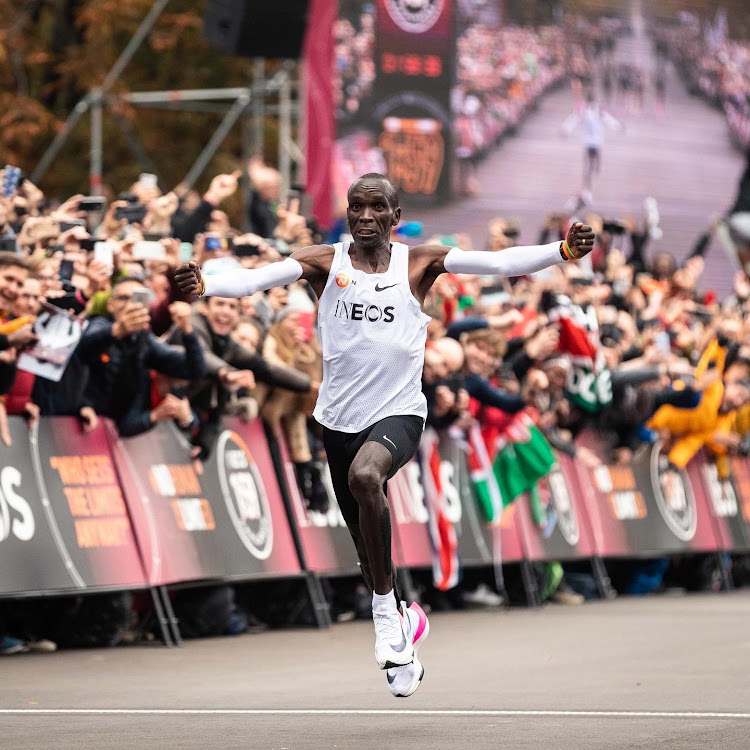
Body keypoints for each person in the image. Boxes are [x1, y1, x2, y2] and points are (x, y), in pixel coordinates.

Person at [176, 173, 596, 697]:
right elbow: (253, 280)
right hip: (336, 419)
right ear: (347, 213)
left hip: (399, 411)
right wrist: (207, 283)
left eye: (378, 208)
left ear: (396, 218)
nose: (366, 217)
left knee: (367, 475)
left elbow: (499, 263)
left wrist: (560, 250)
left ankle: (381, 613)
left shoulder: (418, 262)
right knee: (366, 543)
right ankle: (403, 622)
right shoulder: (325, 262)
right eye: (357, 207)